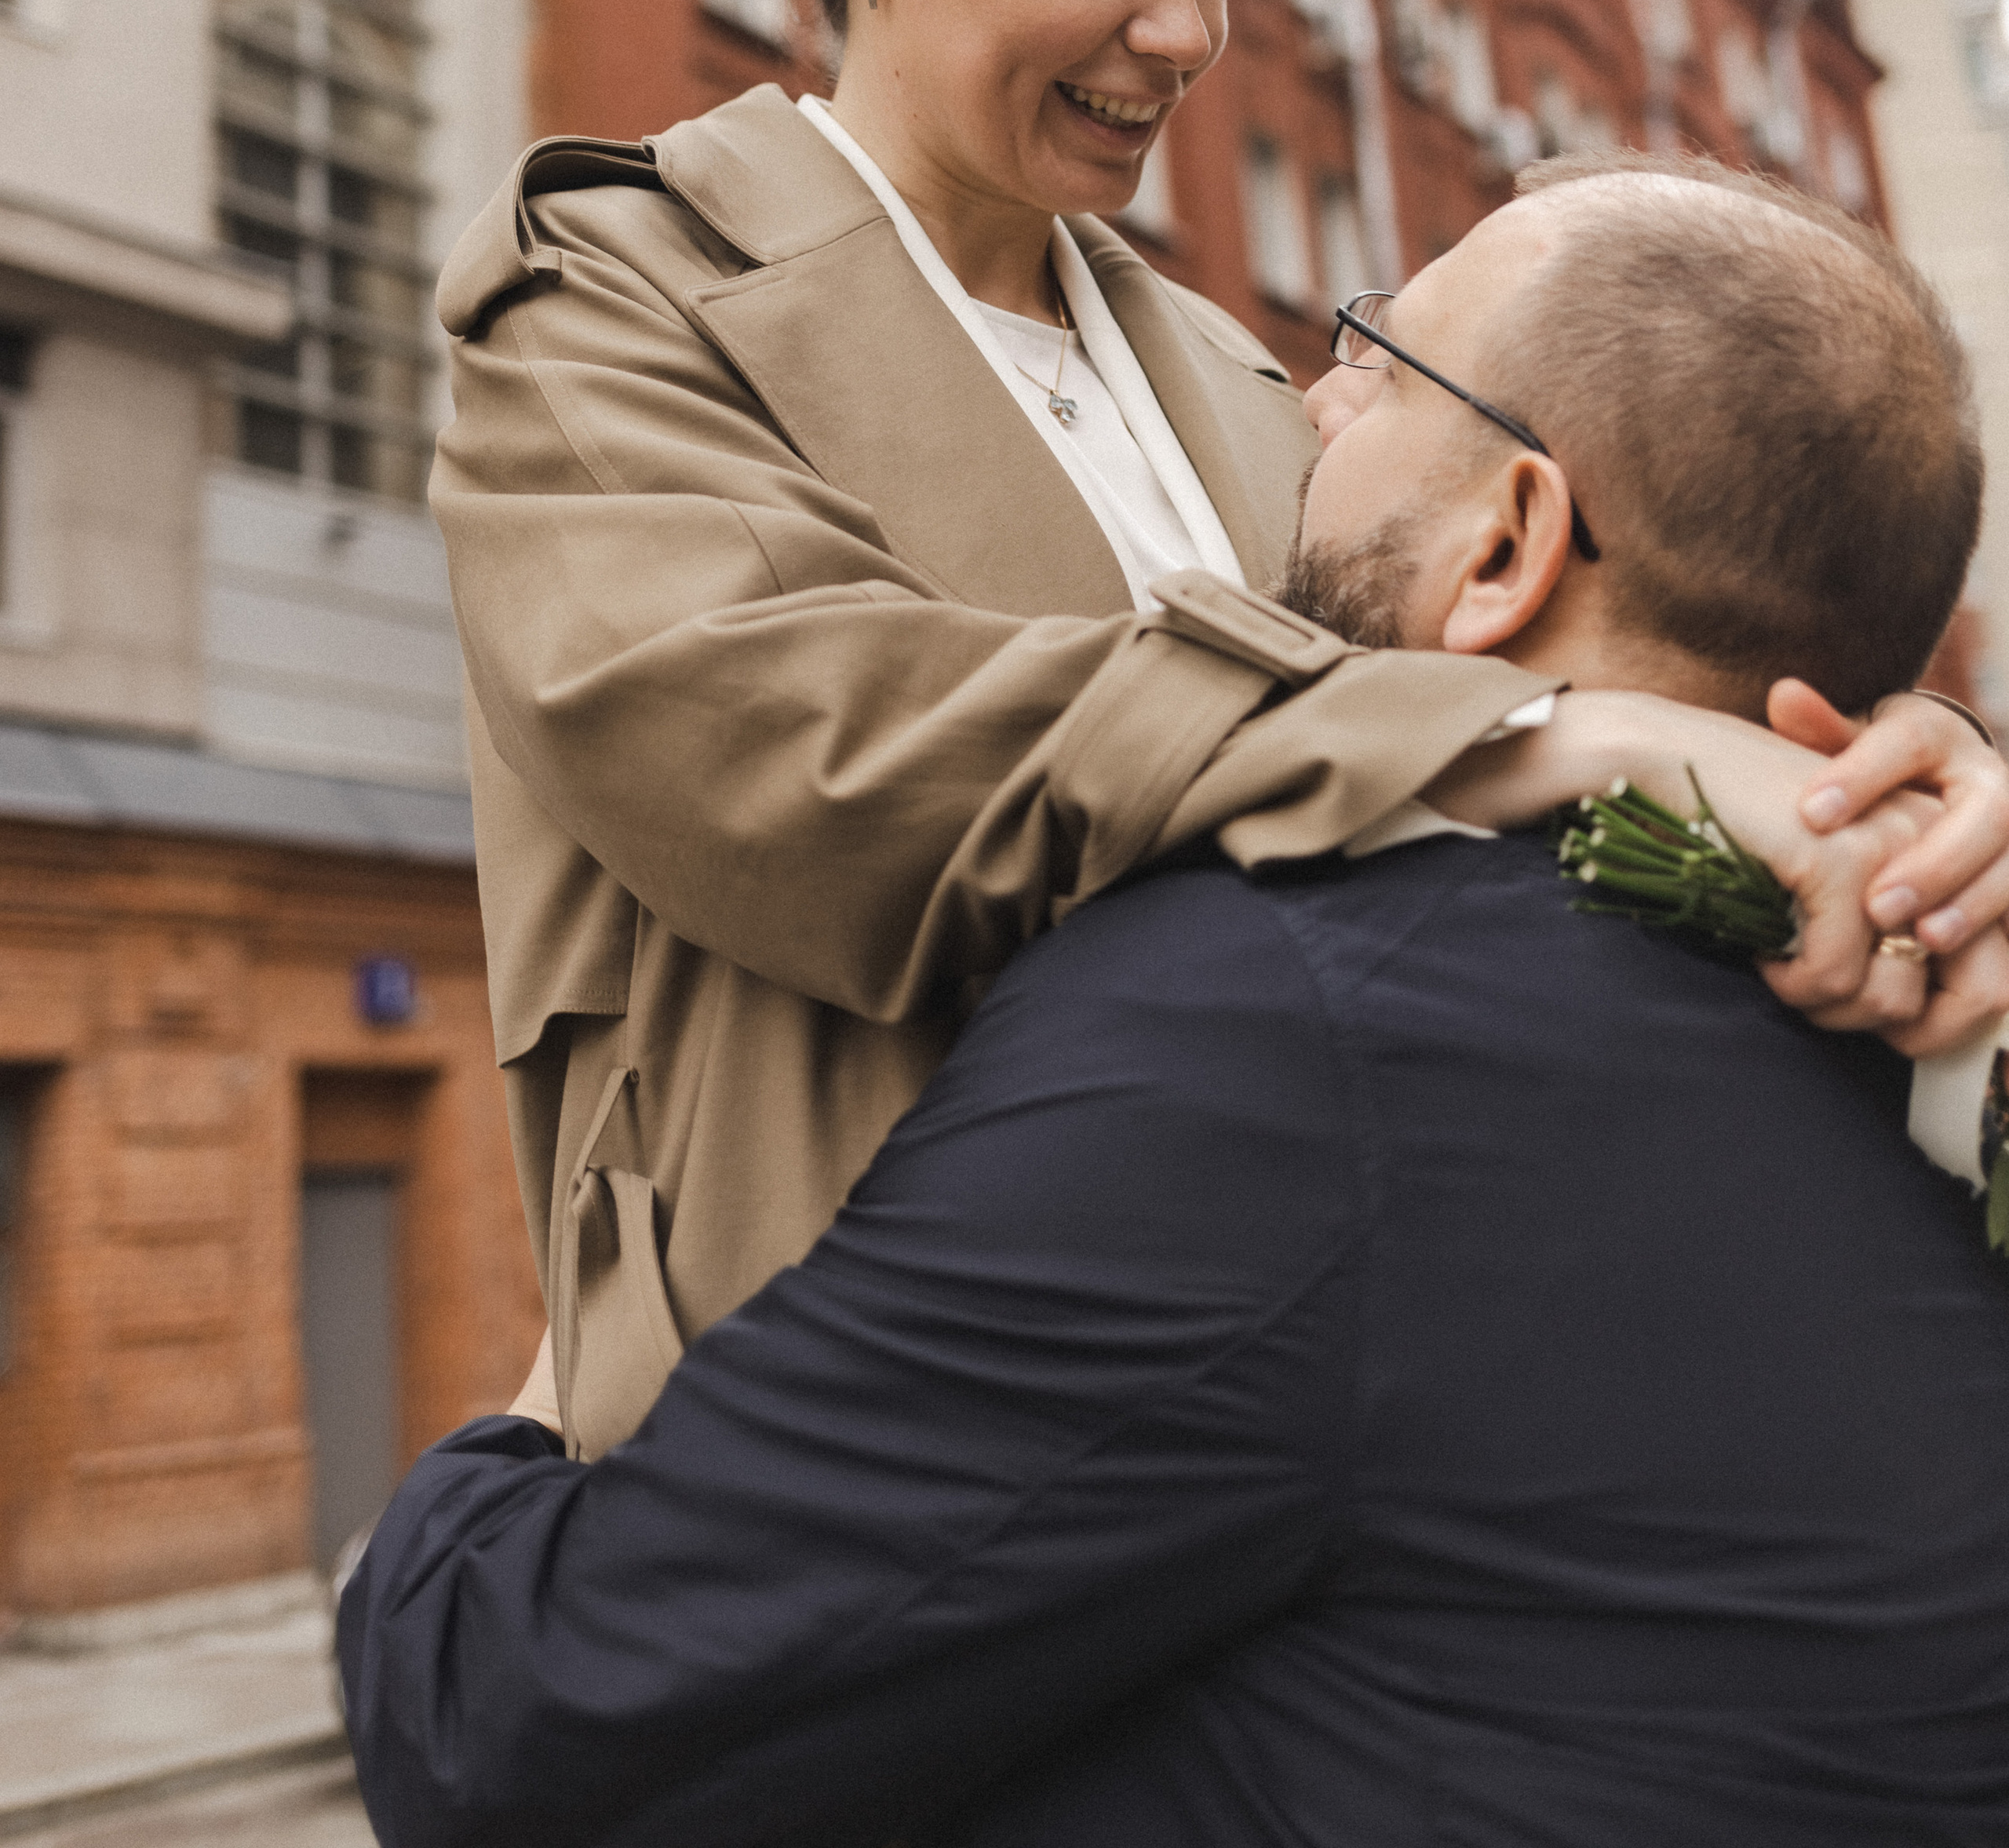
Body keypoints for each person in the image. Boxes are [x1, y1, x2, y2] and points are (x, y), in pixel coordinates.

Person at [432, 0, 2009, 1460]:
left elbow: (1538, 704)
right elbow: (814, 763)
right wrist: (1568, 737)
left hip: (1303, 1421)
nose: (1181, 31)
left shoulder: (1244, 383)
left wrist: (1873, 785)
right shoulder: (611, 294)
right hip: (838, 1471)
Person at [345, 159, 2009, 1848]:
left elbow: (521, 1727)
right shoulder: (1939, 1026)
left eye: (1375, 360)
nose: (1308, 400)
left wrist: (541, 1402)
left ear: (1505, 542)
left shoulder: (1282, 1029)